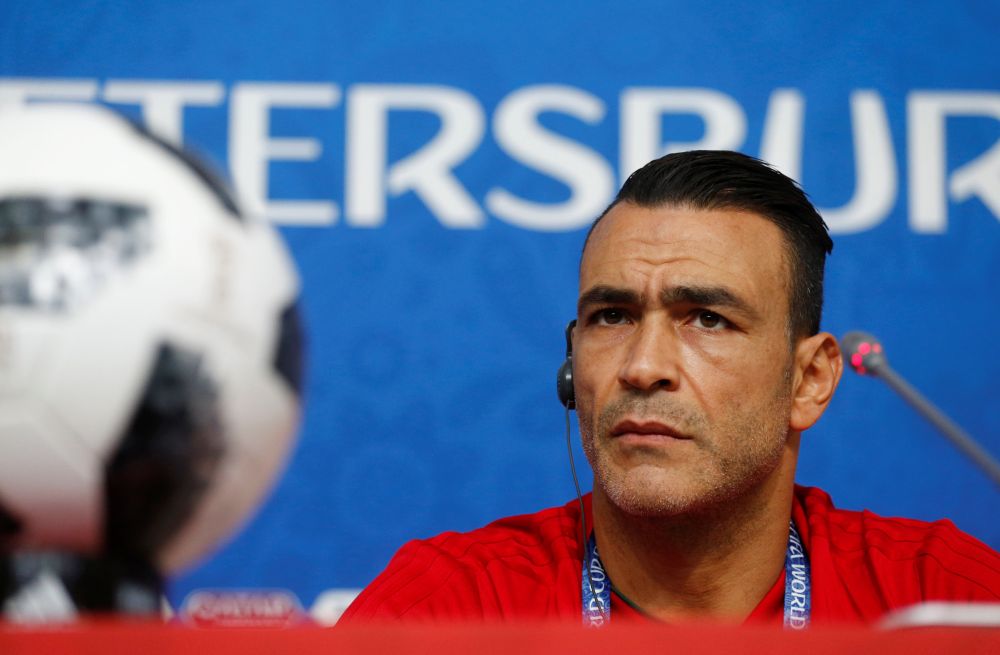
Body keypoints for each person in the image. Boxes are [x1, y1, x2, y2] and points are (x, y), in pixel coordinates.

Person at [339, 150, 1000, 625]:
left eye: (708, 319)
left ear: (810, 379)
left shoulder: (942, 601)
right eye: (613, 316)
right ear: (572, 368)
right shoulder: (446, 613)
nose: (643, 365)